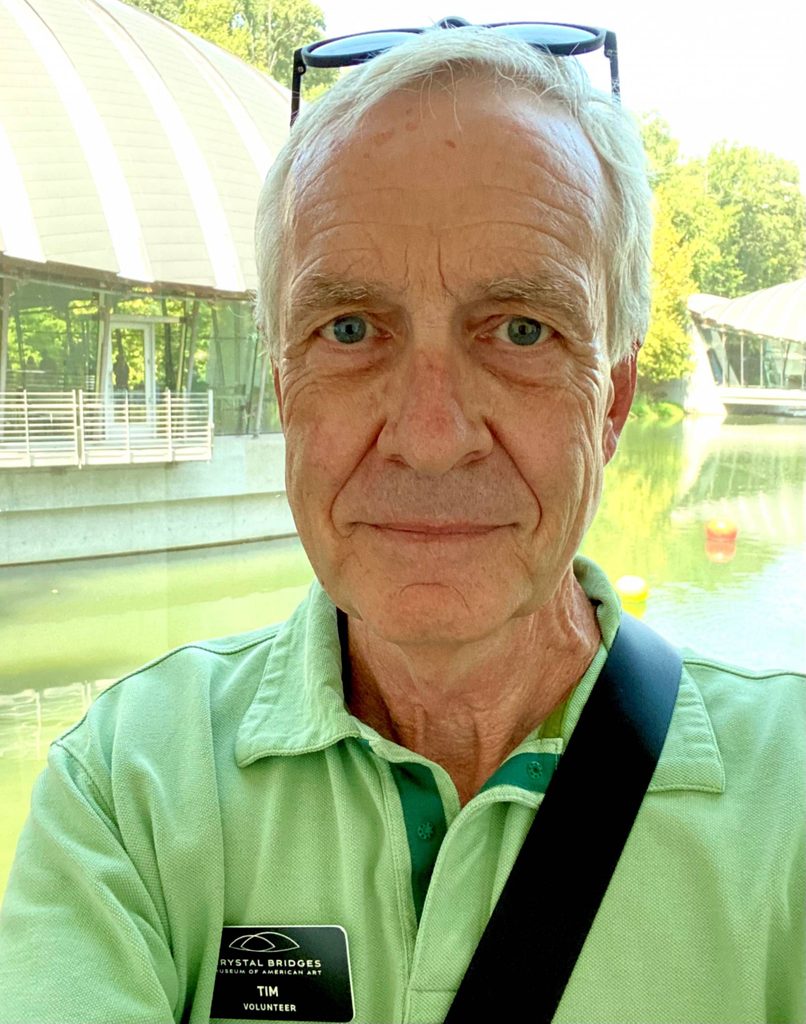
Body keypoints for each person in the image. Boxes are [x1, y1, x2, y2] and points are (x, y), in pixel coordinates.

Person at [1, 24, 804, 1024]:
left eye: (519, 330)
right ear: (286, 381)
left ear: (610, 400)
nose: (429, 438)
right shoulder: (129, 788)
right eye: (348, 329)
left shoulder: (792, 799)